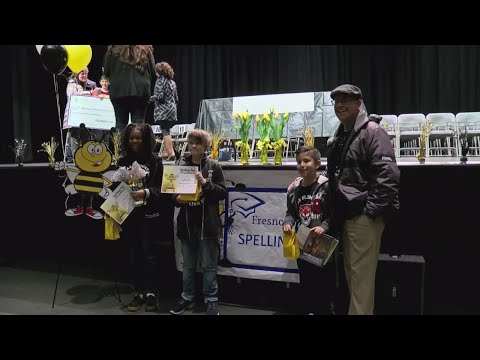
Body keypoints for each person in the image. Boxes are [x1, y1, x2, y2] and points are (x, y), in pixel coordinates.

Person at [326, 84, 400, 315]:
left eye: (345, 100)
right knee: (354, 276)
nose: (340, 105)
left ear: (358, 104)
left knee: (360, 281)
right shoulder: (342, 134)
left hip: (362, 217)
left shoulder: (372, 131)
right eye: (336, 101)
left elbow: (388, 176)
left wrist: (370, 212)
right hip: (348, 216)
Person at [169, 129, 227, 315]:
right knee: (188, 265)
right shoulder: (180, 164)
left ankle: (211, 300)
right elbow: (171, 192)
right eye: (191, 142)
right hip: (187, 223)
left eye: (198, 143)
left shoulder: (213, 166)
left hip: (207, 225)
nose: (194, 146)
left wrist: (205, 183)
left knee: (209, 265)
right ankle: (187, 297)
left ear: (206, 146)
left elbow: (223, 193)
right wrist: (176, 198)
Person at [115, 123, 171, 312]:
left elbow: (163, 191)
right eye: (131, 138)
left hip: (149, 216)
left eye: (138, 137)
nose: (134, 141)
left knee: (149, 256)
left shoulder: (155, 161)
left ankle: (151, 294)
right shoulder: (122, 161)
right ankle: (138, 293)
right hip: (130, 216)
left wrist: (145, 192)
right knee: (134, 255)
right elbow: (117, 190)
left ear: (145, 139)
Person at [283, 146, 336, 315]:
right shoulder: (293, 189)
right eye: (299, 162)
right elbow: (291, 212)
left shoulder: (327, 187)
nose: (302, 165)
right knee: (306, 281)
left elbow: (337, 214)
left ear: (318, 164)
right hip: (303, 243)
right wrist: (288, 223)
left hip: (324, 245)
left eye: (306, 161)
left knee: (324, 283)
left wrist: (324, 226)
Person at [103, 45, 155, 132]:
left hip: (119, 91)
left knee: (120, 123)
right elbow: (153, 71)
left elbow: (106, 72)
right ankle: (139, 144)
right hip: (141, 92)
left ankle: (119, 145)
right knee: (139, 123)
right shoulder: (146, 49)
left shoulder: (113, 49)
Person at [63, 67, 97, 163]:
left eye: (86, 73)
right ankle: (73, 158)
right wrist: (89, 93)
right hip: (75, 116)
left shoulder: (90, 85)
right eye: (82, 73)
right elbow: (72, 95)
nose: (84, 75)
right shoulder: (72, 83)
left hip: (85, 116)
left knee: (86, 136)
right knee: (74, 135)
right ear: (77, 74)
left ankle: (85, 157)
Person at [149, 61, 179, 160]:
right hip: (172, 109)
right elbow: (177, 99)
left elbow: (159, 96)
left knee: (165, 131)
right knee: (167, 131)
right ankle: (166, 153)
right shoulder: (172, 82)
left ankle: (171, 153)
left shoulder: (160, 80)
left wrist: (149, 99)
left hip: (163, 110)